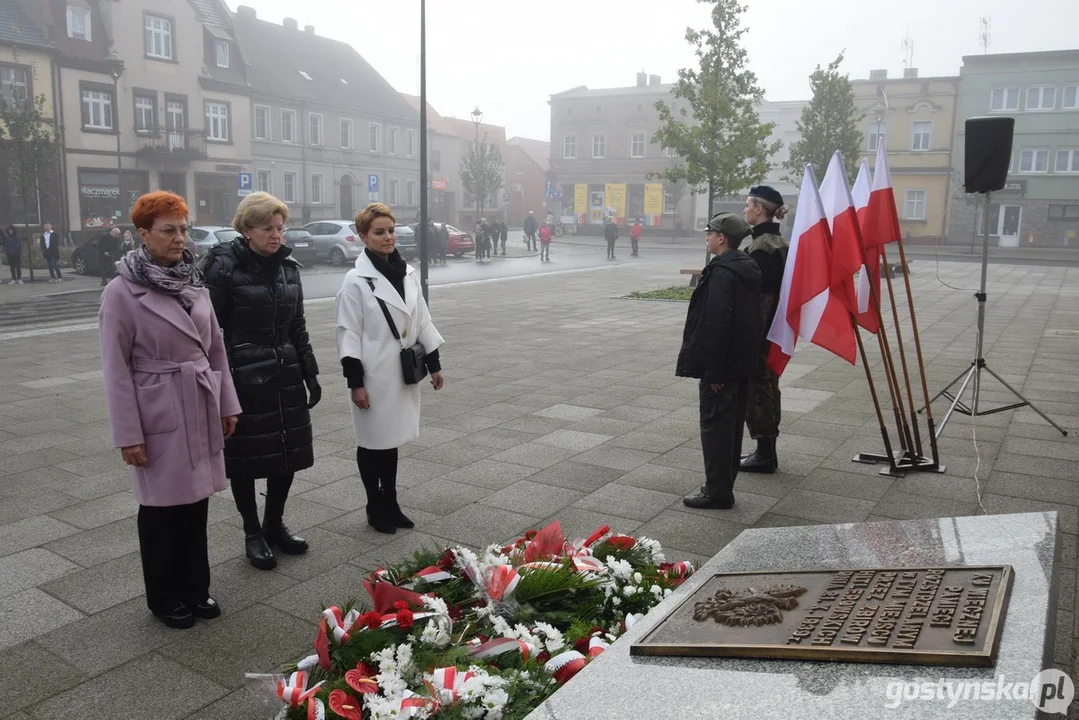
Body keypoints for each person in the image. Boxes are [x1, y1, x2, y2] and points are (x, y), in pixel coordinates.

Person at [98, 191, 241, 629]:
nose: (180, 237)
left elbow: (215, 347)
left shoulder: (193, 282)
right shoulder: (121, 292)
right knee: (161, 509)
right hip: (156, 407)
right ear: (143, 234)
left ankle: (197, 587)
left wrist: (226, 404)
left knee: (195, 504)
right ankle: (164, 597)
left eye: (183, 228)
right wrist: (129, 434)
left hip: (198, 400)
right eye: (168, 230)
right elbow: (115, 370)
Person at [200, 192, 321, 570]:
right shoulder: (222, 268)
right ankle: (252, 532)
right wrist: (219, 384)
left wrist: (310, 371)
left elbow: (297, 324)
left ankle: (274, 524)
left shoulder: (288, 268)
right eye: (267, 228)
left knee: (285, 455)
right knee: (247, 458)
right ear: (247, 229)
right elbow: (209, 331)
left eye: (280, 228)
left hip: (285, 371)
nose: (276, 235)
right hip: (243, 376)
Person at [335, 203, 445, 534]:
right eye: (379, 232)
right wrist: (356, 383)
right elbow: (347, 334)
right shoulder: (355, 281)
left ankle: (391, 502)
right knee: (372, 442)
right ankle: (374, 505)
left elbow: (422, 320)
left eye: (391, 230)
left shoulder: (407, 273)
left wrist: (435, 365)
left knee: (391, 440)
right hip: (373, 374)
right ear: (363, 236)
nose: (388, 237)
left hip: (402, 372)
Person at [677, 212, 761, 510]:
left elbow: (717, 323)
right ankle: (723, 484)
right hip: (740, 364)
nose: (707, 237)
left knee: (716, 428)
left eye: (709, 233)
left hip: (723, 366)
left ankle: (718, 491)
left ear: (721, 238)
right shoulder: (745, 266)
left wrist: (713, 371)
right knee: (732, 427)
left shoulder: (723, 272)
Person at [740, 185, 791, 474]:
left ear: (760, 208)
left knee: (759, 387)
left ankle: (765, 454)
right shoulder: (780, 241)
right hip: (775, 328)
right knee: (769, 385)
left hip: (761, 328)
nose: (744, 209)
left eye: (747, 205)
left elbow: (759, 298)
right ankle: (765, 450)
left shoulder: (760, 248)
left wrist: (749, 337)